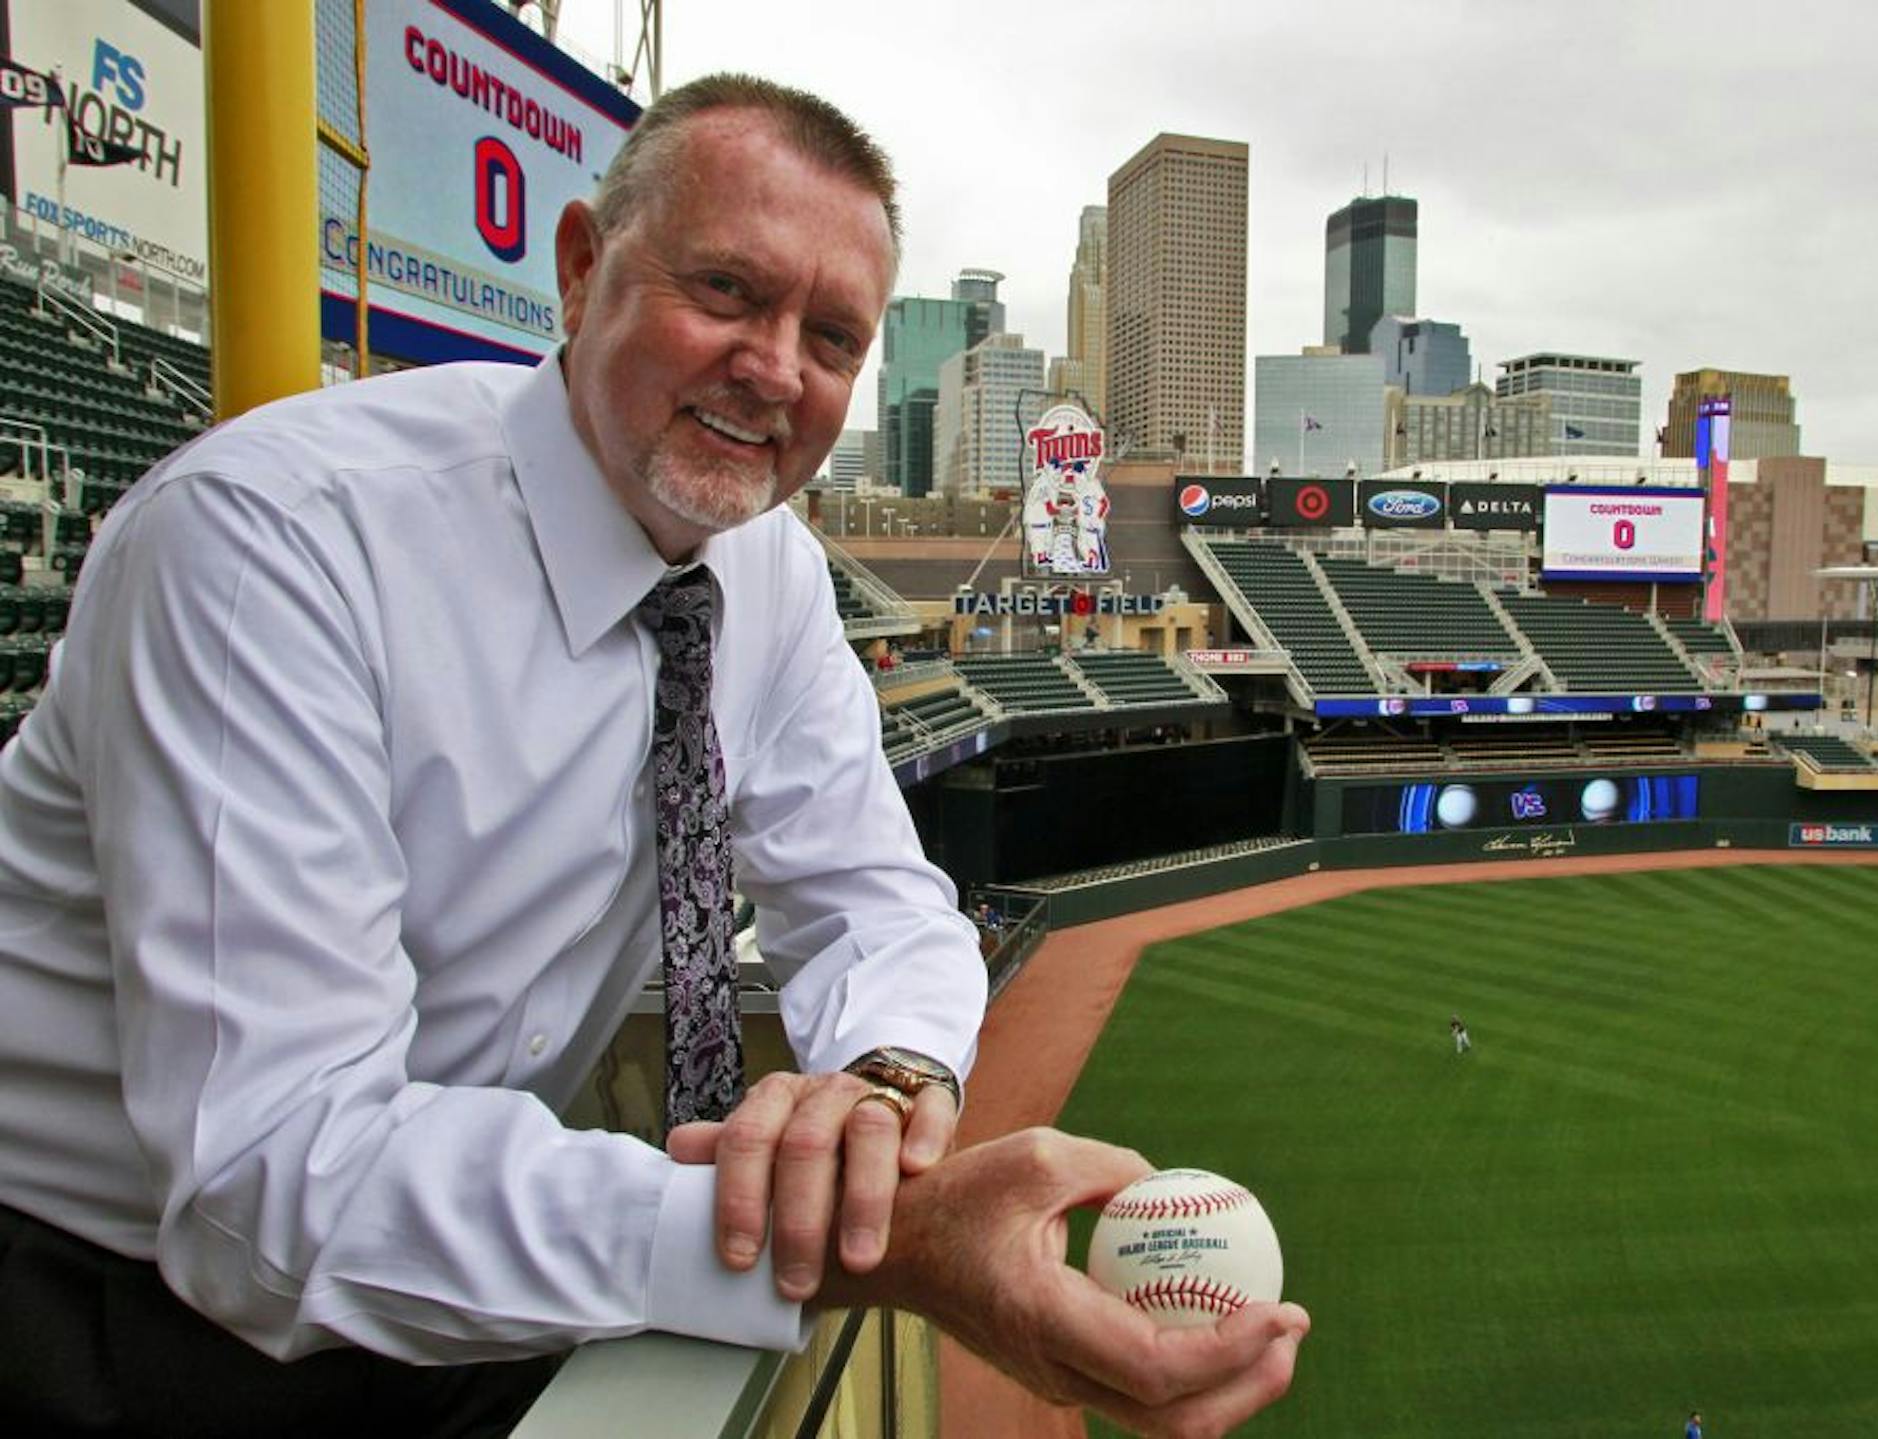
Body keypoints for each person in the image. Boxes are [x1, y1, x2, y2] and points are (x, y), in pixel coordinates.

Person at [0, 74, 1304, 1437]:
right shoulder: (274, 539)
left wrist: (883, 1091)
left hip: (468, 1255)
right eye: (727, 293)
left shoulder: (771, 575)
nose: (776, 368)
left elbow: (875, 898)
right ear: (580, 269)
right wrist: (872, 1242)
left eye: (833, 336)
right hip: (104, 1303)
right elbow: (265, 1186)